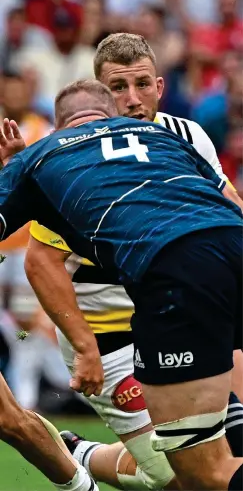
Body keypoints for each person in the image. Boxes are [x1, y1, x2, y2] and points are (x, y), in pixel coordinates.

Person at [24, 33, 243, 490]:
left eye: (142, 84)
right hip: (108, 333)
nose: (132, 99)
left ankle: (82, 450)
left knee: (223, 456)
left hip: (186, 308)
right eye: (118, 88)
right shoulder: (75, 152)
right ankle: (81, 453)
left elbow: (229, 205)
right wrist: (83, 347)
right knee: (174, 476)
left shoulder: (186, 135)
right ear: (100, 93)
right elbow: (41, 260)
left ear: (160, 87)